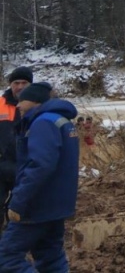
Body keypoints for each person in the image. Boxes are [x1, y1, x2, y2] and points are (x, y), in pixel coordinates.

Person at [0, 81, 79, 273]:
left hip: (36, 205)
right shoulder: (62, 121)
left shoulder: (43, 122)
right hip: (56, 206)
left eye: (23, 101)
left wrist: (18, 201)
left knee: (6, 258)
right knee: (50, 258)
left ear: (35, 101)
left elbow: (40, 165)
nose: (17, 105)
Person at [0, 66, 33, 231]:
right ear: (10, 84)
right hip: (2, 166)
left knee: (22, 211)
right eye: (16, 83)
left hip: (25, 168)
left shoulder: (36, 107)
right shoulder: (0, 104)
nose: (20, 86)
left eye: (24, 83)